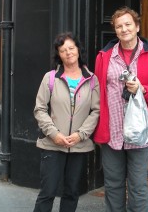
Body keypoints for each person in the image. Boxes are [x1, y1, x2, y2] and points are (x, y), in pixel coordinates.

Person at [94, 6, 148, 212]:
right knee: (113, 185)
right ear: (115, 31)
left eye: (128, 24)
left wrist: (143, 89)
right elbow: (97, 94)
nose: (124, 29)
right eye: (119, 26)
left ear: (137, 27)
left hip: (140, 133)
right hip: (111, 132)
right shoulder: (104, 56)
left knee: (138, 186)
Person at [33, 32, 100, 212]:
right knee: (48, 192)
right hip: (53, 145)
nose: (68, 53)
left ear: (78, 50)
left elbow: (96, 110)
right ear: (58, 54)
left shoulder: (92, 79)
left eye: (71, 48)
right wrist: (54, 134)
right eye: (63, 50)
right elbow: (40, 109)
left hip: (78, 145)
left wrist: (81, 134)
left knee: (71, 192)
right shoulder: (50, 78)